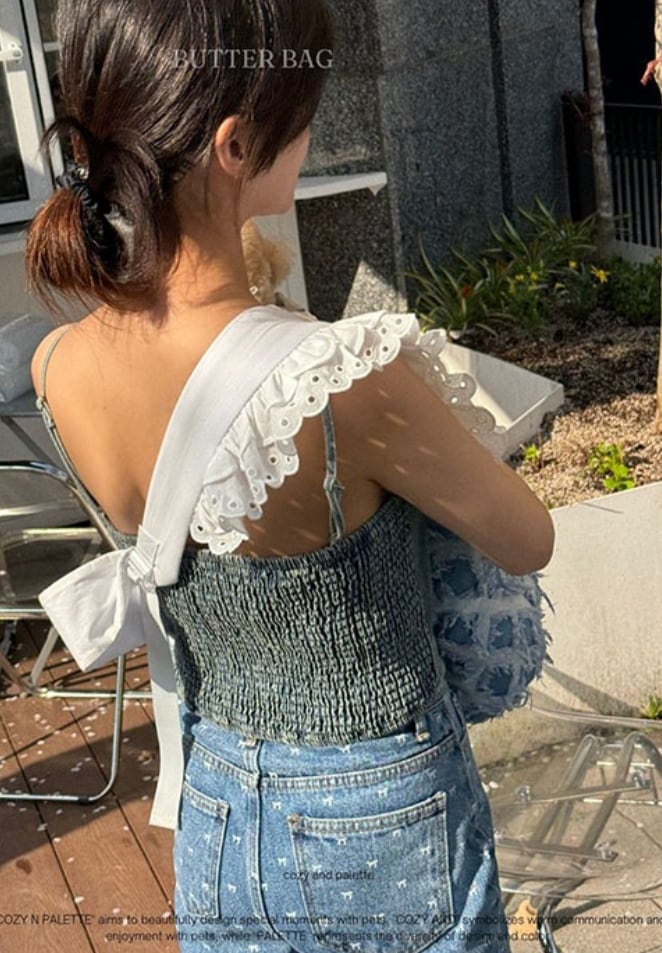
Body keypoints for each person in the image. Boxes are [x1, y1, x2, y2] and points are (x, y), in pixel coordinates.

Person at [26, 1, 554, 950]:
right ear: (236, 145)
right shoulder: (340, 378)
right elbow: (527, 536)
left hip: (217, 798)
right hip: (383, 816)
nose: (310, 133)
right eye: (304, 112)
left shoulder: (59, 364)